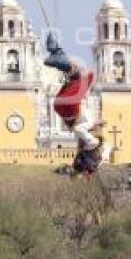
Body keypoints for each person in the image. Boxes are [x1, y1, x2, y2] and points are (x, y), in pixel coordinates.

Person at [43, 33, 110, 176]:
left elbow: (82, 129)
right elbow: (87, 126)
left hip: (70, 107)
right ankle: (56, 52)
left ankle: (57, 54)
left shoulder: (87, 136)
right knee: (79, 77)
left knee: (85, 76)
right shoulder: (88, 128)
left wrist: (92, 141)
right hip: (63, 106)